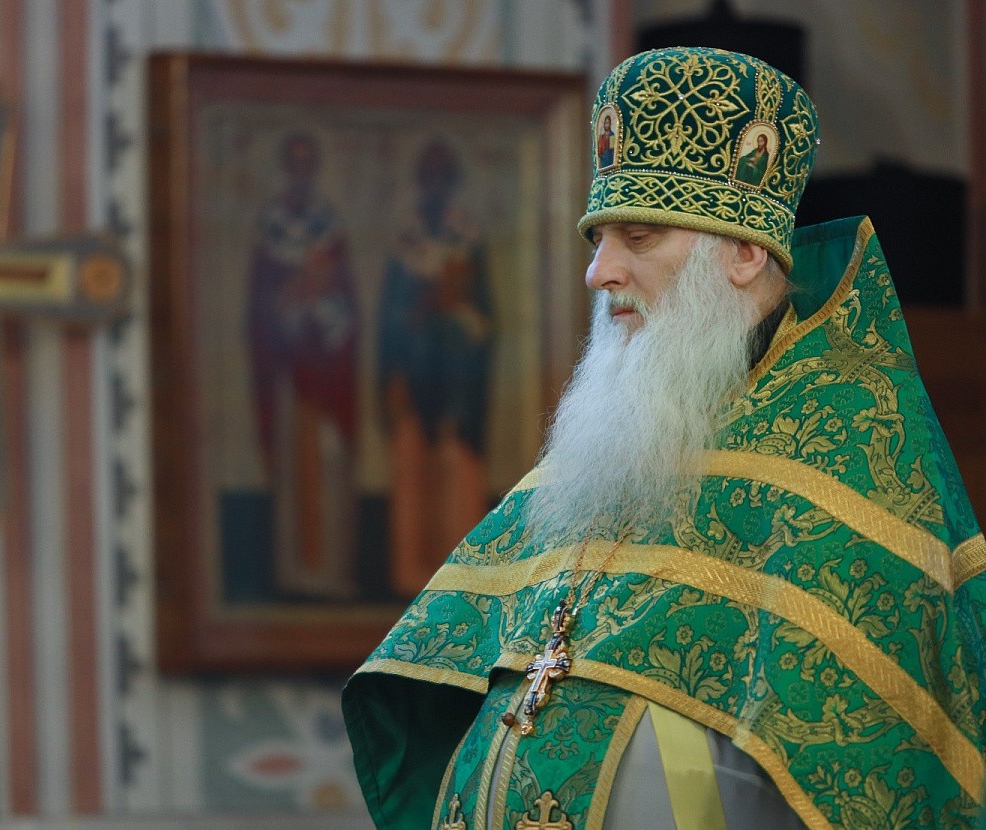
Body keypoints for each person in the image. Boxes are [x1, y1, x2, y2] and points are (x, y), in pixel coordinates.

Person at [344, 47, 986, 829]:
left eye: (639, 237)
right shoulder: (616, 445)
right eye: (598, 240)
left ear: (745, 252)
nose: (599, 272)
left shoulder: (857, 456)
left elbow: (885, 781)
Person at [377, 139, 494, 597]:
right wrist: (417, 312)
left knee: (457, 473)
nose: (435, 186)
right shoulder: (404, 244)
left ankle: (459, 588)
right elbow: (389, 320)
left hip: (458, 386)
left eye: (442, 176)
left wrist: (454, 307)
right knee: (410, 474)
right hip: (412, 381)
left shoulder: (468, 241)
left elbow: (486, 320)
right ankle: (409, 581)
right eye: (428, 176)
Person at [246, 131, 359, 598]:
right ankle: (293, 575)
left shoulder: (329, 227)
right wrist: (289, 303)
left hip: (327, 377)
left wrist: (325, 309)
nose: (300, 172)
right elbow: (259, 309)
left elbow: (347, 304)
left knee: (330, 461)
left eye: (307, 163)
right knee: (293, 469)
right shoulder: (270, 228)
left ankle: (332, 575)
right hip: (288, 379)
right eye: (293, 162)